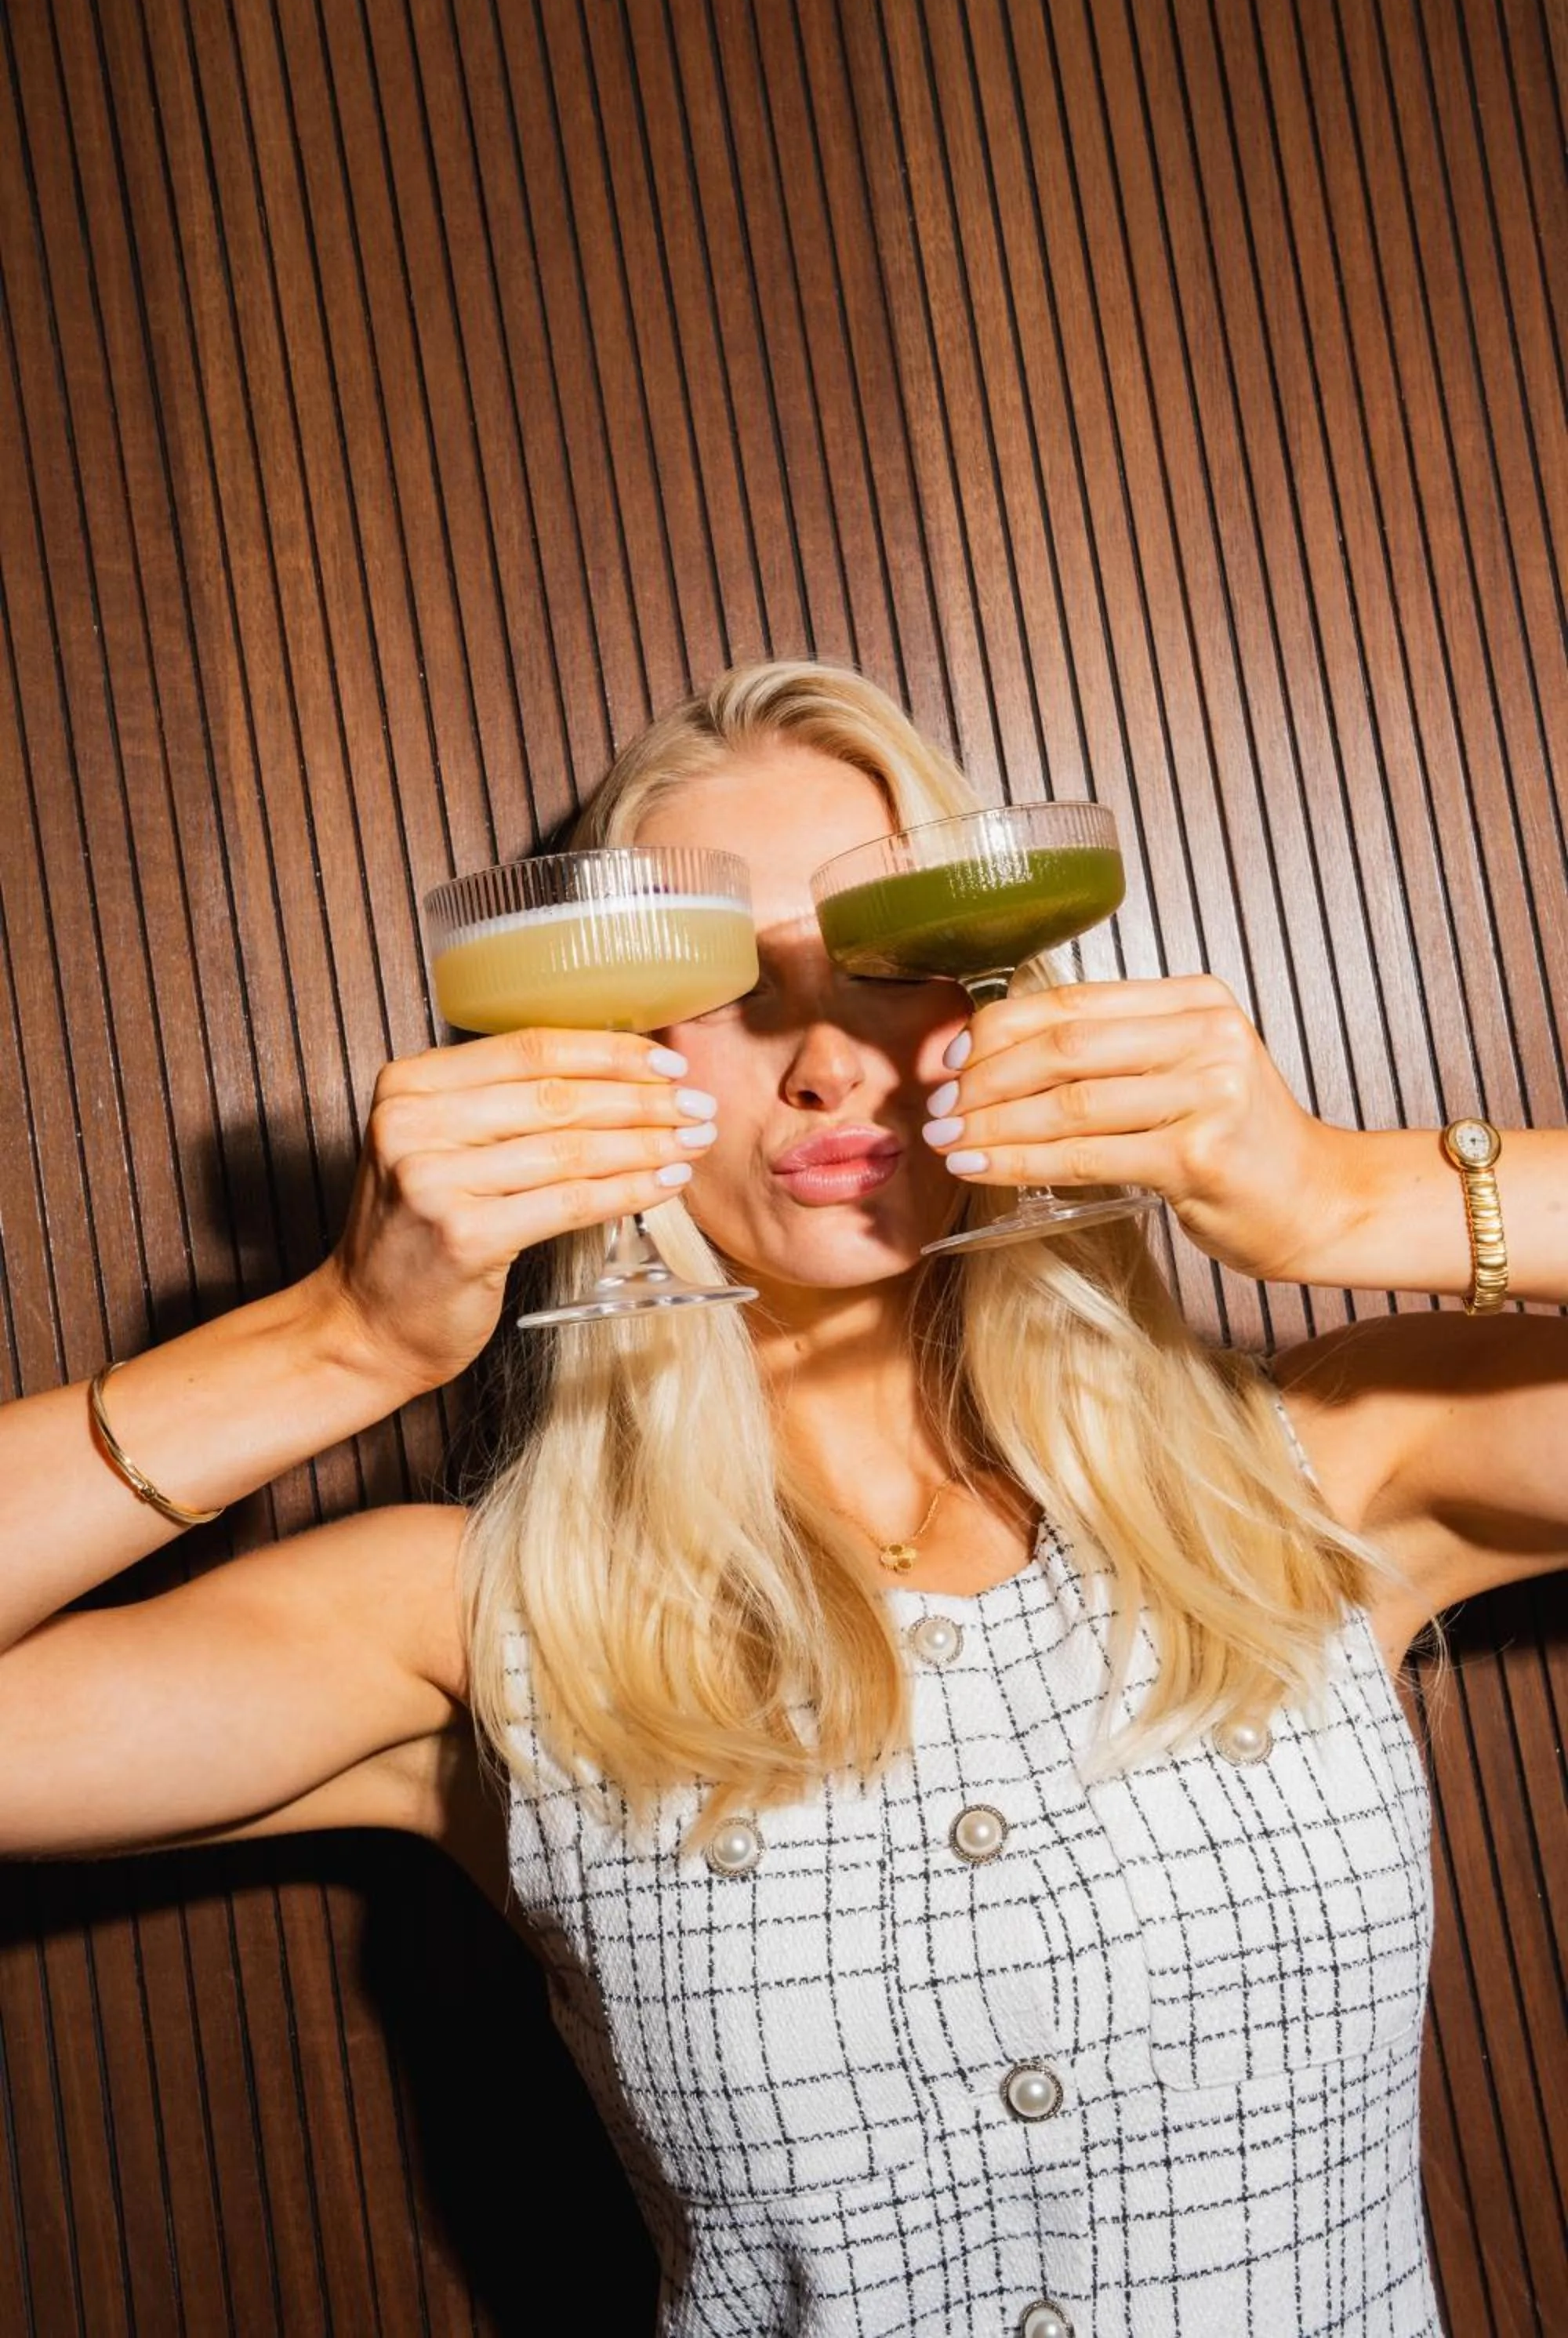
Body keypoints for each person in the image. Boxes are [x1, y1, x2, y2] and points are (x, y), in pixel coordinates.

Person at [2, 660, 1563, 2337]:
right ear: (586, 1061)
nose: (826, 1061)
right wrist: (336, 1340)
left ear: (1004, 992)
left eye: (891, 962)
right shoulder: (484, 1621)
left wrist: (1338, 1197)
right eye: (724, 983)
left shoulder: (1321, 1475)